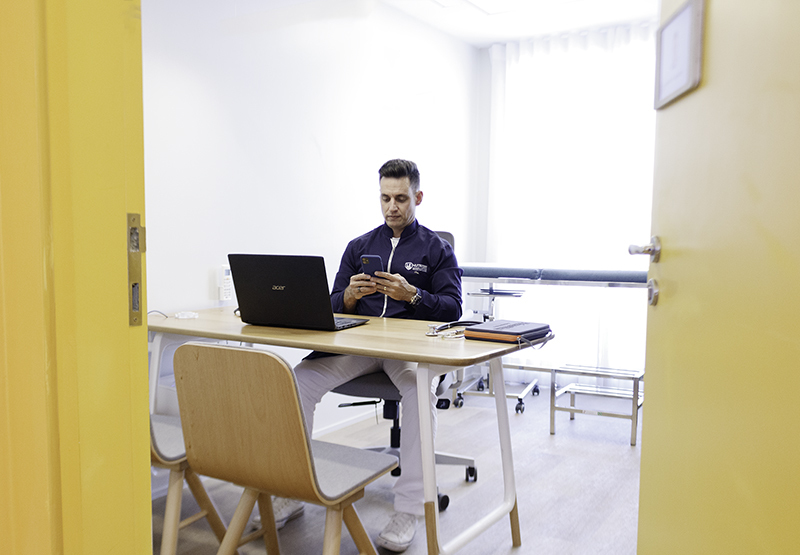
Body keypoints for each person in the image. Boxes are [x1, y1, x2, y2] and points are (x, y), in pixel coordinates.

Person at [281, 159, 463, 552]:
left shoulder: (437, 249)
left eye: (401, 198)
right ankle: (291, 489)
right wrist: (348, 296)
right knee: (297, 380)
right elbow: (330, 303)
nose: (392, 206)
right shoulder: (359, 246)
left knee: (418, 391)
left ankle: (409, 509)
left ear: (417, 197)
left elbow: (453, 307)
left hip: (406, 350)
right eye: (385, 198)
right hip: (360, 344)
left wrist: (412, 295)